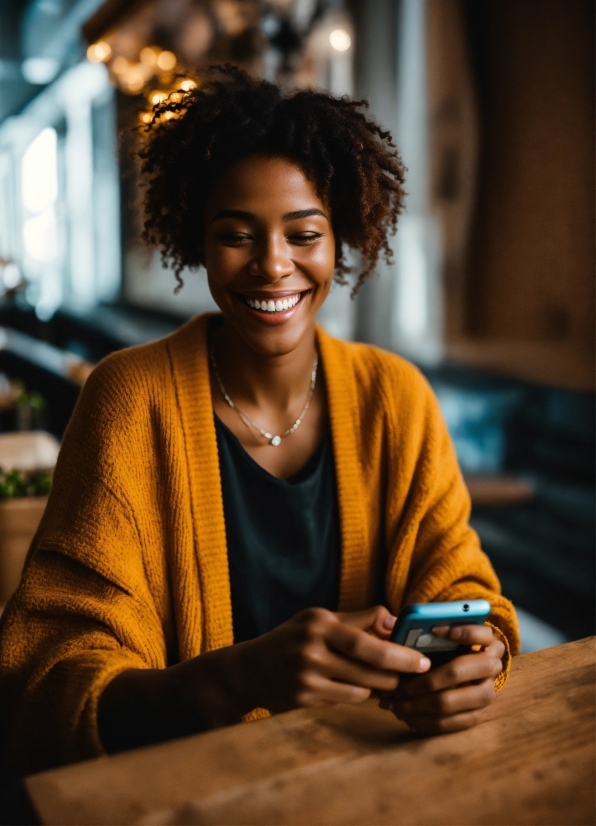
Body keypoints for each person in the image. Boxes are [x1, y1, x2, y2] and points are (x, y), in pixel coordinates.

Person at [0, 66, 519, 774]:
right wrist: (237, 678)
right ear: (196, 243)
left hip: (377, 781)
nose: (273, 266)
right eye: (238, 235)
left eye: (303, 234)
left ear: (342, 240)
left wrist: (478, 653)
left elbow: (459, 582)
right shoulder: (128, 399)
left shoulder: (395, 398)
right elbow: (46, 682)